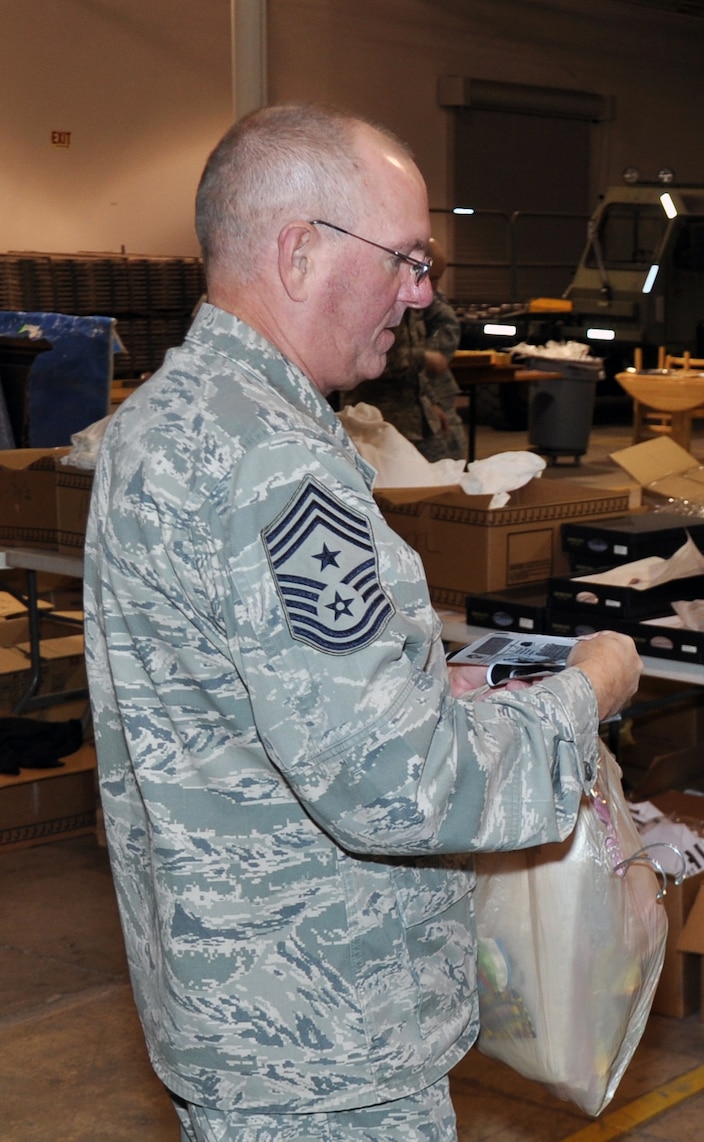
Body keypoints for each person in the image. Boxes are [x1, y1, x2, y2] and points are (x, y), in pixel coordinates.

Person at [82, 103, 642, 1139]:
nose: (422, 293)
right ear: (299, 252)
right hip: (326, 1046)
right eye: (407, 259)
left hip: (243, 1015)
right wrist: (586, 692)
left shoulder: (166, 418)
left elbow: (246, 702)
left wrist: (428, 683)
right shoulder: (275, 463)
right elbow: (399, 783)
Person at [343, 239, 468, 462]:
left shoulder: (415, 303)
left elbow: (422, 344)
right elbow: (370, 361)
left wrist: (431, 401)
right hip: (380, 422)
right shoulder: (374, 304)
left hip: (416, 418)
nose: (432, 288)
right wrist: (424, 359)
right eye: (431, 276)